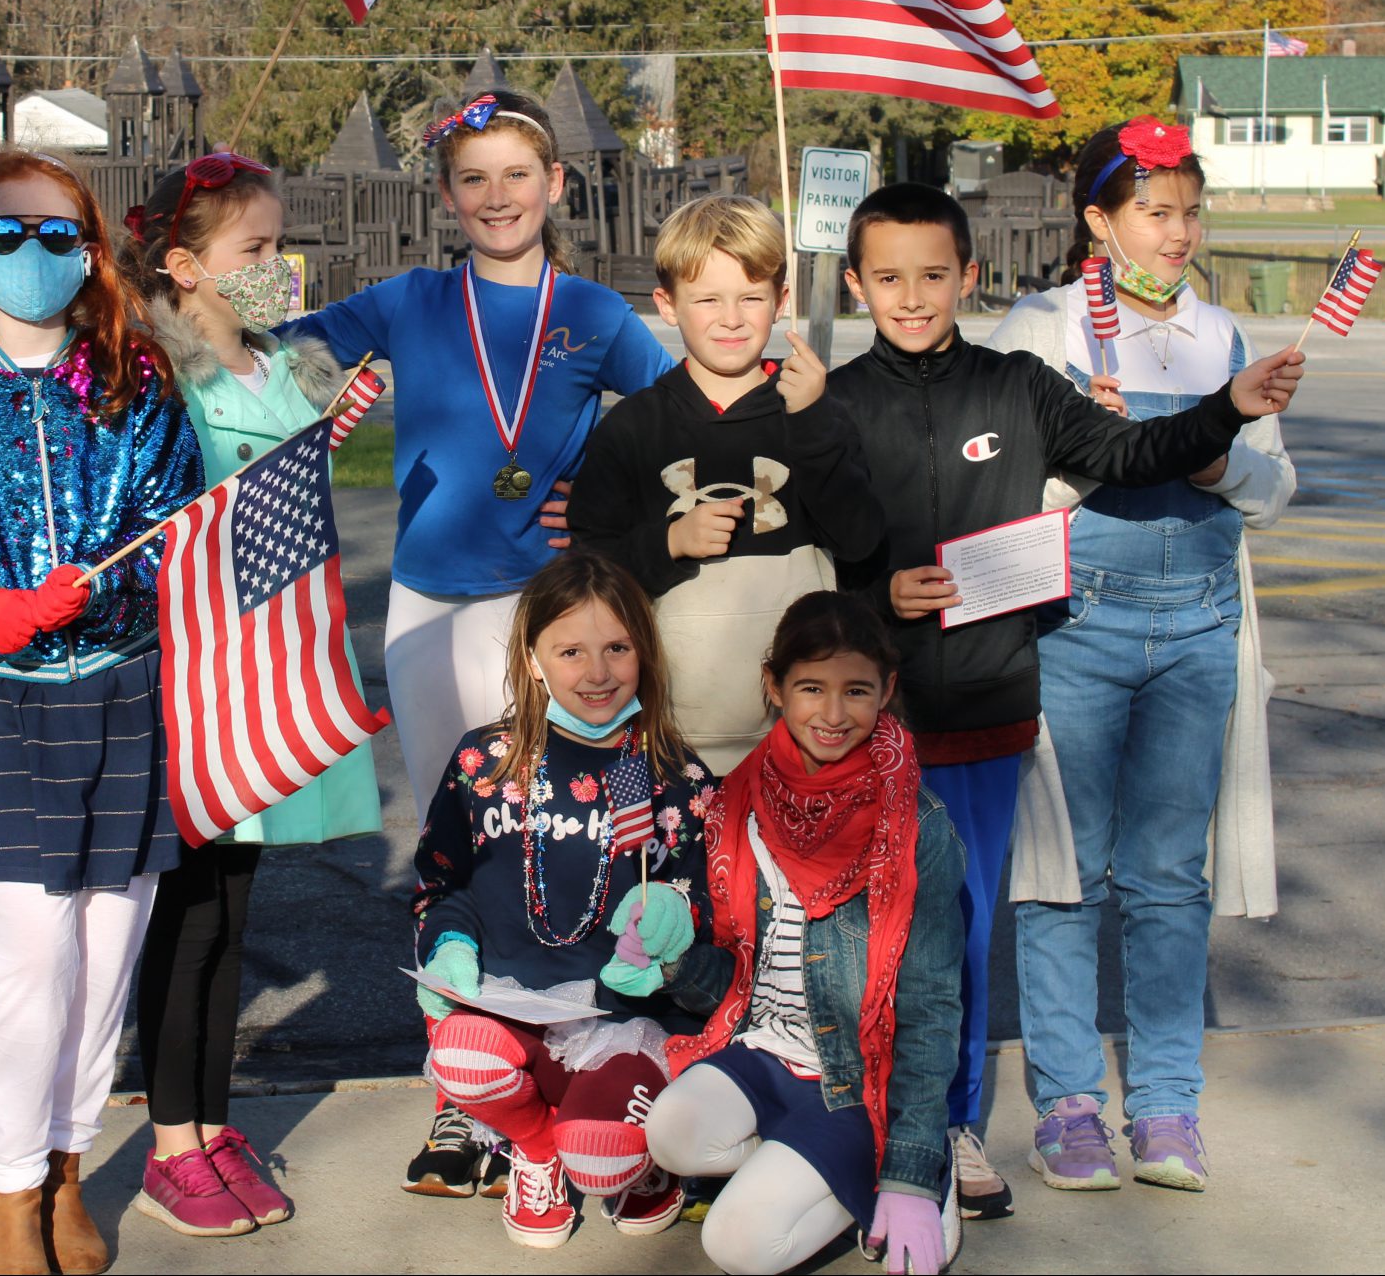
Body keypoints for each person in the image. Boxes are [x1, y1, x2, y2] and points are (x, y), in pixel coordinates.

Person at [824, 181, 1304, 1219]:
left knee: (1039, 903)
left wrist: (1229, 408)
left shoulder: (1024, 381)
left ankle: (995, 1111)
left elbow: (1138, 454)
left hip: (1014, 692)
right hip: (911, 699)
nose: (913, 297)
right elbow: (810, 542)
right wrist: (874, 594)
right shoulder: (850, 399)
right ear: (856, 283)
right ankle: (901, 1108)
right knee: (905, 918)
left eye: (935, 275)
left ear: (971, 277)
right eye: (889, 277)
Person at [289, 88, 672, 1193]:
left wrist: (605, 515)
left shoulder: (596, 315)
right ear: (448, 195)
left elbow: (674, 424)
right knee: (453, 848)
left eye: (518, 175)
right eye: (474, 179)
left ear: (556, 185)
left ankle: (574, 1069)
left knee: (558, 837)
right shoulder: (410, 299)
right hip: (425, 606)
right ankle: (465, 1096)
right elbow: (275, 355)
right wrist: (201, 284)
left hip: (544, 612)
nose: (497, 196)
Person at [0, 150, 202, 1276]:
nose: (32, 256)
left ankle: (71, 1160)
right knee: (28, 958)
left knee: (108, 952)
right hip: (5, 702)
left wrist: (101, 586)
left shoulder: (136, 384)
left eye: (58, 234)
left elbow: (175, 531)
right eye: (5, 234)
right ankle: (8, 1185)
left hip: (122, 693)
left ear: (92, 249)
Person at [990, 119, 1293, 1192]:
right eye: (1156, 212)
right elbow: (1004, 491)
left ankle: (1167, 1103)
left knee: (1170, 877)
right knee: (1066, 873)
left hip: (1201, 624)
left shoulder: (1223, 336)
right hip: (1081, 622)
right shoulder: (1046, 327)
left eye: (1189, 210)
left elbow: (1273, 488)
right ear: (1099, 220)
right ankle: (1070, 1103)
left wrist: (1220, 470)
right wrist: (1076, 453)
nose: (1179, 231)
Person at [126, 154, 383, 1235]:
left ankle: (213, 1119)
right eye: (256, 252)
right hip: (196, 676)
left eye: (282, 246)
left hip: (276, 667)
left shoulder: (288, 369)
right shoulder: (158, 382)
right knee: (183, 917)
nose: (281, 268)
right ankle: (169, 1138)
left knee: (233, 913)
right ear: (184, 268)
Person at [648, 591, 966, 1276]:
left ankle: (906, 1179)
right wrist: (670, 954)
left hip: (852, 1080)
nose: (831, 713)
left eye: (855, 691)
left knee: (737, 1247)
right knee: (670, 1135)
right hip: (760, 1049)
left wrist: (912, 1169)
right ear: (774, 687)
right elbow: (738, 972)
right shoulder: (740, 796)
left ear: (886, 690)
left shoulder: (919, 826)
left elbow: (932, 1009)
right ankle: (807, 1163)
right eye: (809, 688)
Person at [413, 552, 717, 1248]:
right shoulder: (480, 762)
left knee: (602, 1153)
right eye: (571, 651)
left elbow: (710, 899)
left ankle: (641, 1163)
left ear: (645, 650)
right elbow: (441, 882)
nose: (598, 672)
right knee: (463, 1054)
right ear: (533, 657)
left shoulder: (673, 772)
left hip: (622, 1019)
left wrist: (675, 918)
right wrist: (450, 944)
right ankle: (533, 1147)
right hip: (511, 1007)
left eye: (617, 647)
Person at [566, 194, 882, 770]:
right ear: (667, 305)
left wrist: (811, 423)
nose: (731, 318)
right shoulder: (634, 426)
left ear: (781, 302)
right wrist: (669, 543)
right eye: (707, 299)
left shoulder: (818, 412)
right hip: (676, 728)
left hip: (803, 731)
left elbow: (862, 541)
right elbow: (592, 566)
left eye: (751, 298)